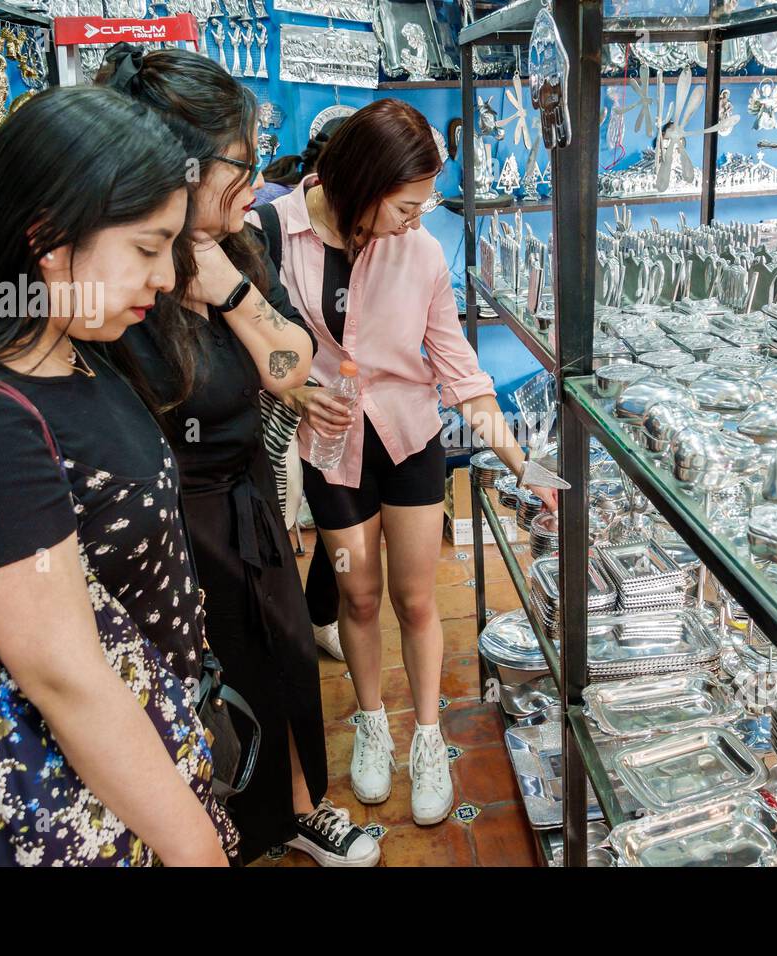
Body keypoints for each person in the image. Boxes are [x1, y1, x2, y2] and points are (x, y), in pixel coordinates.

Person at [0, 86, 235, 865]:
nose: (164, 277)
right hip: (62, 798)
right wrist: (197, 850)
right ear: (48, 239)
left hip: (138, 766)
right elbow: (68, 682)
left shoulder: (78, 348)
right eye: (146, 246)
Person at [96, 45, 378, 867]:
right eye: (241, 160)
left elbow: (293, 365)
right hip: (171, 523)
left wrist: (233, 291)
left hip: (246, 493)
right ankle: (221, 838)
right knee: (207, 689)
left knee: (285, 659)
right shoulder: (122, 272)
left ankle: (298, 810)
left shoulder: (241, 242)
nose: (256, 177)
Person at [271, 99, 557, 826]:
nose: (419, 219)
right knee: (357, 598)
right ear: (364, 185)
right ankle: (373, 724)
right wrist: (297, 389)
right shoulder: (273, 233)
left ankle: (427, 736)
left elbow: (459, 368)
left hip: (408, 438)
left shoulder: (422, 253)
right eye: (407, 204)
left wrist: (521, 463)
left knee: (418, 599)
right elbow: (250, 346)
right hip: (334, 450)